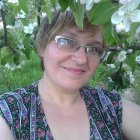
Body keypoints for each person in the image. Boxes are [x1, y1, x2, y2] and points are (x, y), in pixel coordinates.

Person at [0, 9, 140, 140]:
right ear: (42, 45)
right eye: (66, 41)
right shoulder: (9, 112)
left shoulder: (111, 105)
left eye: (93, 48)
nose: (81, 59)